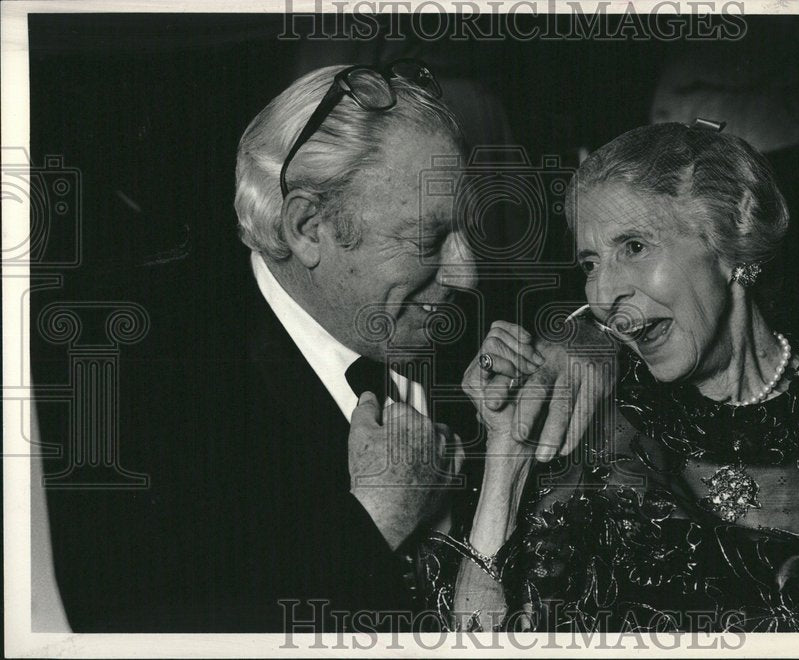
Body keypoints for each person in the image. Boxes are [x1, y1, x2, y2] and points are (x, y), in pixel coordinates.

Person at [41, 61, 611, 632]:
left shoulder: (457, 317)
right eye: (428, 238)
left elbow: (568, 297)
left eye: (467, 228)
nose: (466, 273)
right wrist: (371, 526)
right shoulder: (134, 382)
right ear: (308, 226)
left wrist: (587, 336)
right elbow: (133, 628)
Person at [432, 122, 799, 632]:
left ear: (732, 242)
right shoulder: (603, 422)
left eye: (634, 246)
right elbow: (481, 637)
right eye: (590, 263)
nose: (602, 292)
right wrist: (507, 454)